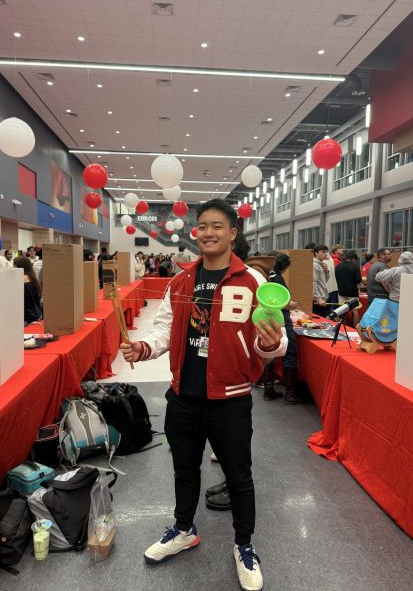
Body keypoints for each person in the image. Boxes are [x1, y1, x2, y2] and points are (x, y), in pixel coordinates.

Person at [120, 199, 287, 591]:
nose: (208, 232)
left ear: (233, 233)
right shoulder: (181, 280)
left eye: (217, 226)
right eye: (203, 226)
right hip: (184, 395)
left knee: (238, 476)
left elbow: (275, 346)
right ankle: (183, 529)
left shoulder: (254, 283)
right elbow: (165, 328)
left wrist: (270, 343)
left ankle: (244, 545)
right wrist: (145, 348)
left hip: (230, 399)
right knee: (184, 468)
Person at [267, 252, 301, 404]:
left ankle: (268, 390)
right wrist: (292, 304)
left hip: (267, 317)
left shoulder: (267, 276)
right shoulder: (278, 278)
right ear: (285, 266)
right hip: (281, 318)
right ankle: (290, 394)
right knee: (290, 352)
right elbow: (282, 303)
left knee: (270, 351)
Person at [335, 250, 362, 327]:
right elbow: (358, 280)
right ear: (353, 258)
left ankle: (337, 327)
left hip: (341, 292)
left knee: (339, 311)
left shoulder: (338, 266)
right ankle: (355, 329)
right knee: (355, 312)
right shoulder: (355, 266)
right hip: (352, 293)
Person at [13, 256, 42, 326]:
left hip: (29, 318)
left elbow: (26, 303)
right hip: (37, 314)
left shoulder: (22, 279)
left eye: (14, 266)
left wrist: (30, 320)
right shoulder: (32, 278)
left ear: (20, 267)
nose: (12, 269)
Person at [312, 244, 330, 317]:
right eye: (323, 252)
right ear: (316, 253)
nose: (325, 254)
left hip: (322, 298)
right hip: (317, 301)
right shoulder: (314, 265)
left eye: (326, 252)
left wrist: (327, 272)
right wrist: (318, 299)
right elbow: (313, 283)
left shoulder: (321, 264)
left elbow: (325, 281)